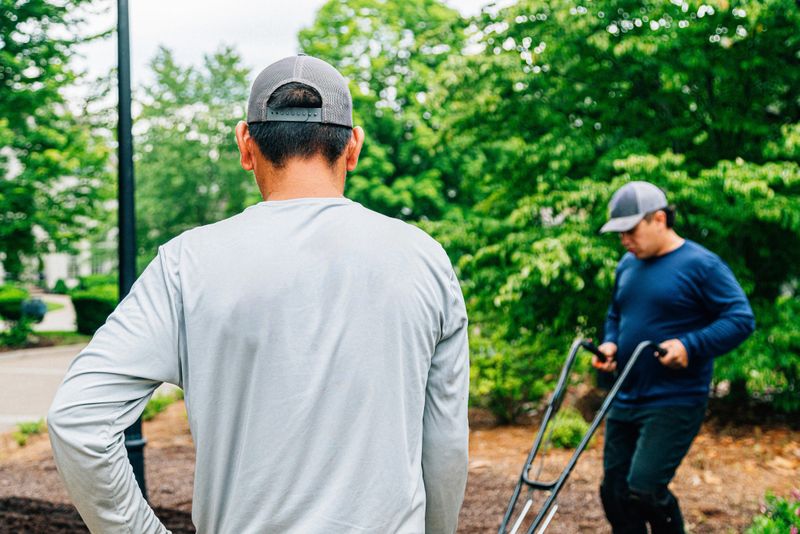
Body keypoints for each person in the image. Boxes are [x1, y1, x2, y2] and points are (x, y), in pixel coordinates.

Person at [48, 55, 469, 534]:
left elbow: (78, 420)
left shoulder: (188, 263)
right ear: (353, 146)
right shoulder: (423, 259)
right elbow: (446, 446)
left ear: (245, 144)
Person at [593, 181, 754, 534]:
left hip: (674, 400)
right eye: (619, 234)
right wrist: (610, 345)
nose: (624, 240)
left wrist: (689, 345)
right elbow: (616, 315)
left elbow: (741, 319)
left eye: (630, 231)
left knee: (645, 490)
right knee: (614, 492)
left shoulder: (701, 264)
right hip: (626, 395)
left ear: (660, 219)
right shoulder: (628, 265)